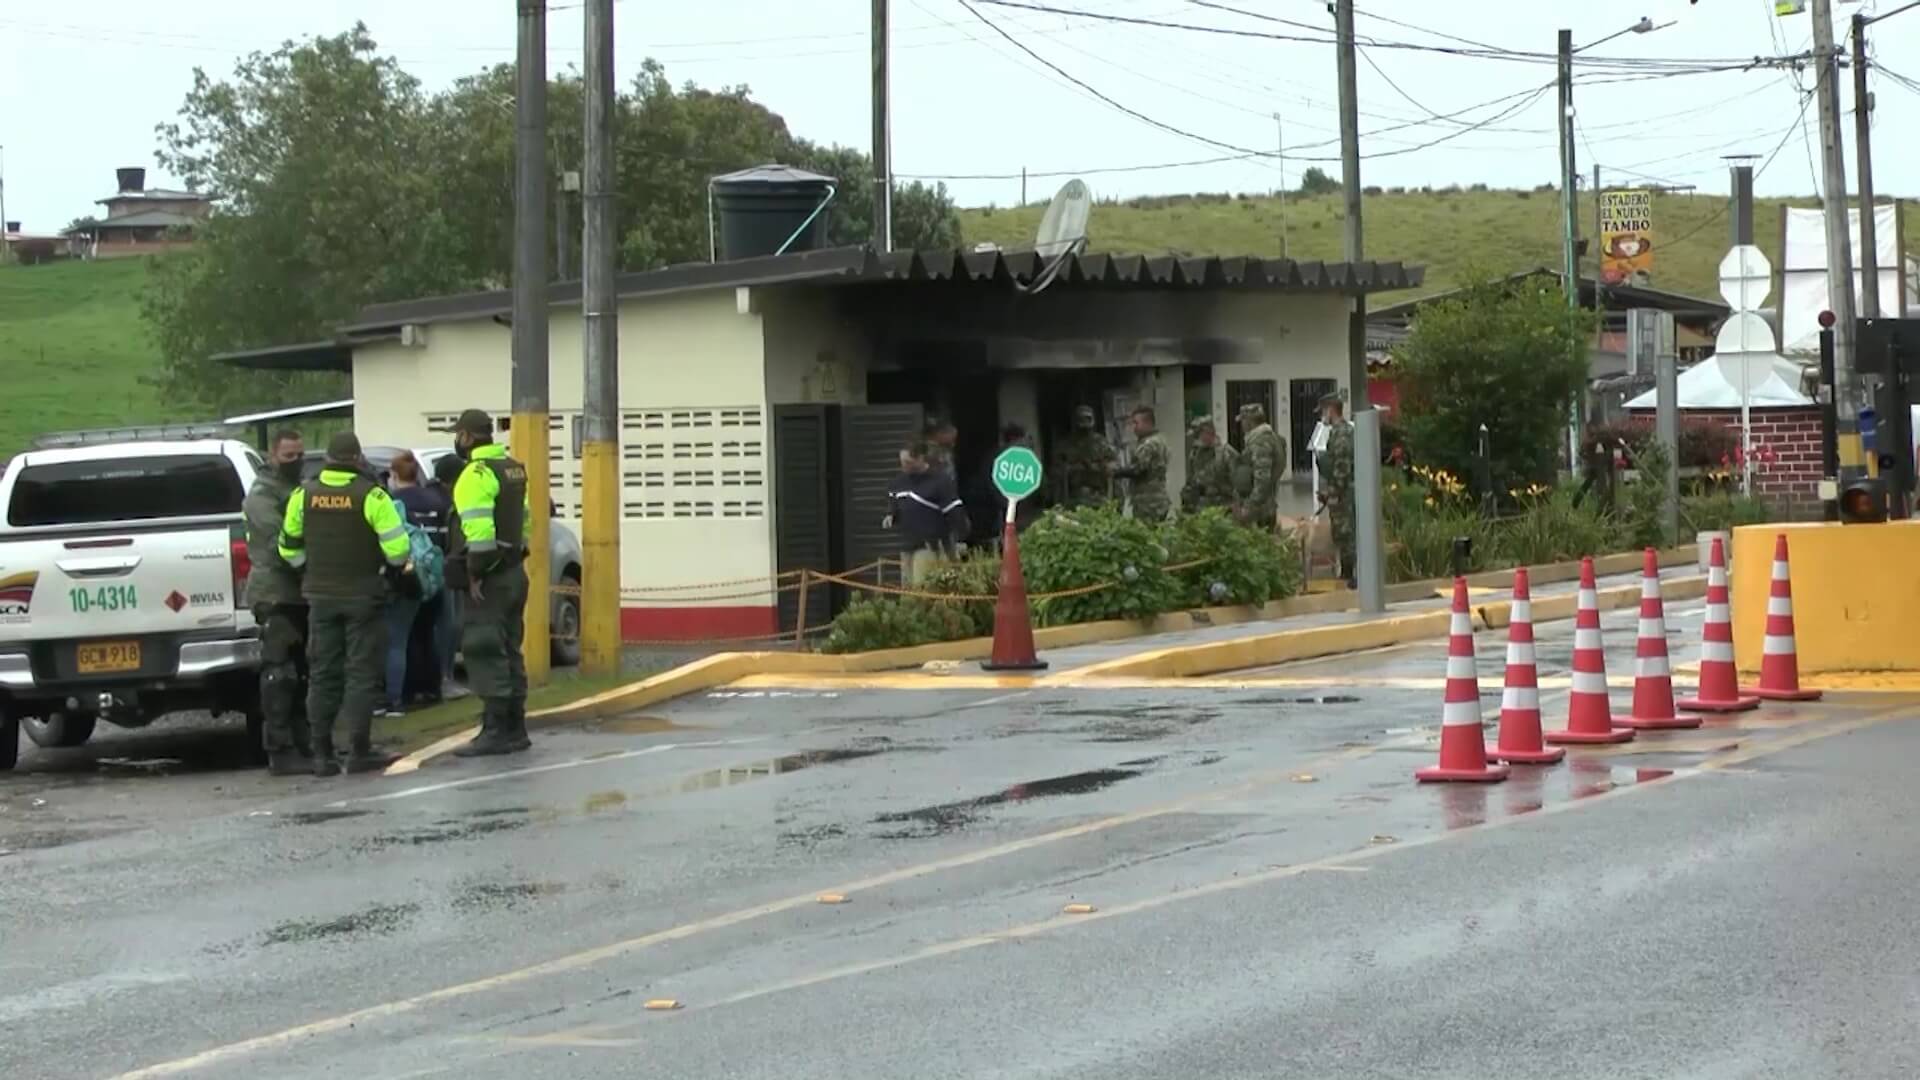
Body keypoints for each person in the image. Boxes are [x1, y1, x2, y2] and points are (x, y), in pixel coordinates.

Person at [278, 432, 411, 776]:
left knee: (322, 674)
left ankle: (322, 755)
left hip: (320, 598)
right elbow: (398, 551)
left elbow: (288, 548)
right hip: (364, 597)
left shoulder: (302, 495)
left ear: (328, 459)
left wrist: (309, 570)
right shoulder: (372, 496)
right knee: (360, 675)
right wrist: (388, 571)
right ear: (356, 459)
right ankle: (359, 750)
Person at [447, 409, 534, 758]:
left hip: (490, 577)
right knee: (510, 648)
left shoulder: (475, 474)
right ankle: (516, 727)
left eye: (458, 435)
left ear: (467, 437)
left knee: (484, 647)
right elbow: (523, 520)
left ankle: (497, 730)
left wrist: (475, 573)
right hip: (514, 570)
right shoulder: (513, 468)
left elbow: (480, 534)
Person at [245, 429, 313, 776]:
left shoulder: (297, 489)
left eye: (300, 454)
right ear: (272, 456)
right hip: (275, 593)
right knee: (280, 673)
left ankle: (304, 741)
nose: (296, 461)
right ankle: (280, 748)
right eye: (289, 456)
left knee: (302, 672)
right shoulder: (262, 495)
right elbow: (281, 541)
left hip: (301, 593)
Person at [381, 451, 443, 715]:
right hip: (434, 575)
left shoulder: (393, 504)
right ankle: (433, 688)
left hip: (406, 578)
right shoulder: (438, 500)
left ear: (394, 476)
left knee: (401, 640)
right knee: (430, 635)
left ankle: (403, 695)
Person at [886, 440, 971, 583]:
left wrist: (961, 536)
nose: (904, 466)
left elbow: (955, 511)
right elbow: (894, 500)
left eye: (908, 462)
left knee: (923, 587)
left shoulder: (939, 481)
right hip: (907, 546)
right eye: (902, 461)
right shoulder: (898, 482)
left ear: (920, 458)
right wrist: (891, 514)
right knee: (908, 590)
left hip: (930, 546)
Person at [431, 453, 470, 697]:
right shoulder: (447, 502)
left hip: (432, 571)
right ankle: (445, 679)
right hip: (447, 571)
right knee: (450, 626)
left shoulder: (439, 498)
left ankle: (443, 678)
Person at [1316, 393, 1357, 588]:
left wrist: (1331, 492)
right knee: (1344, 533)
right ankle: (1349, 573)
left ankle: (1350, 575)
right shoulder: (1341, 431)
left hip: (1344, 493)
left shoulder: (1341, 434)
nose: (1322, 416)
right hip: (1343, 491)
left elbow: (1341, 467)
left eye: (1323, 411)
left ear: (1331, 410)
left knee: (1345, 533)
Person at [1110, 405, 1171, 523]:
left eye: (1136, 423)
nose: (1134, 428)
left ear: (1147, 423)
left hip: (1148, 502)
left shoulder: (1149, 444)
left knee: (1146, 536)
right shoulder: (1160, 439)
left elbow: (1138, 469)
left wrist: (1116, 471)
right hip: (1157, 499)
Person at [1236, 402, 1287, 530]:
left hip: (1260, 509)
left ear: (1249, 422)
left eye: (1243, 421)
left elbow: (1262, 479)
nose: (1241, 425)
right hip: (1265, 504)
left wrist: (1250, 506)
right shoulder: (1266, 438)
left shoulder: (1261, 442)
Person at [1055, 404, 1114, 509]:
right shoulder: (1066, 444)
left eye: (1088, 419)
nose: (1084, 423)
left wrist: (1099, 467)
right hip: (1075, 496)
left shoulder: (1101, 442)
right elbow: (1057, 471)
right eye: (1081, 419)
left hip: (1098, 495)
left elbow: (1112, 466)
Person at [1182, 415, 1238, 513]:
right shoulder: (1195, 453)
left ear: (1208, 433)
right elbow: (1192, 479)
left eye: (1197, 436)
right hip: (1202, 507)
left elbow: (1239, 483)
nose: (1196, 440)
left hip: (1224, 506)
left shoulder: (1226, 453)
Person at [925, 417, 959, 486]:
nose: (953, 444)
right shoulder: (929, 449)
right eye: (951, 439)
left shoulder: (945, 448)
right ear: (940, 434)